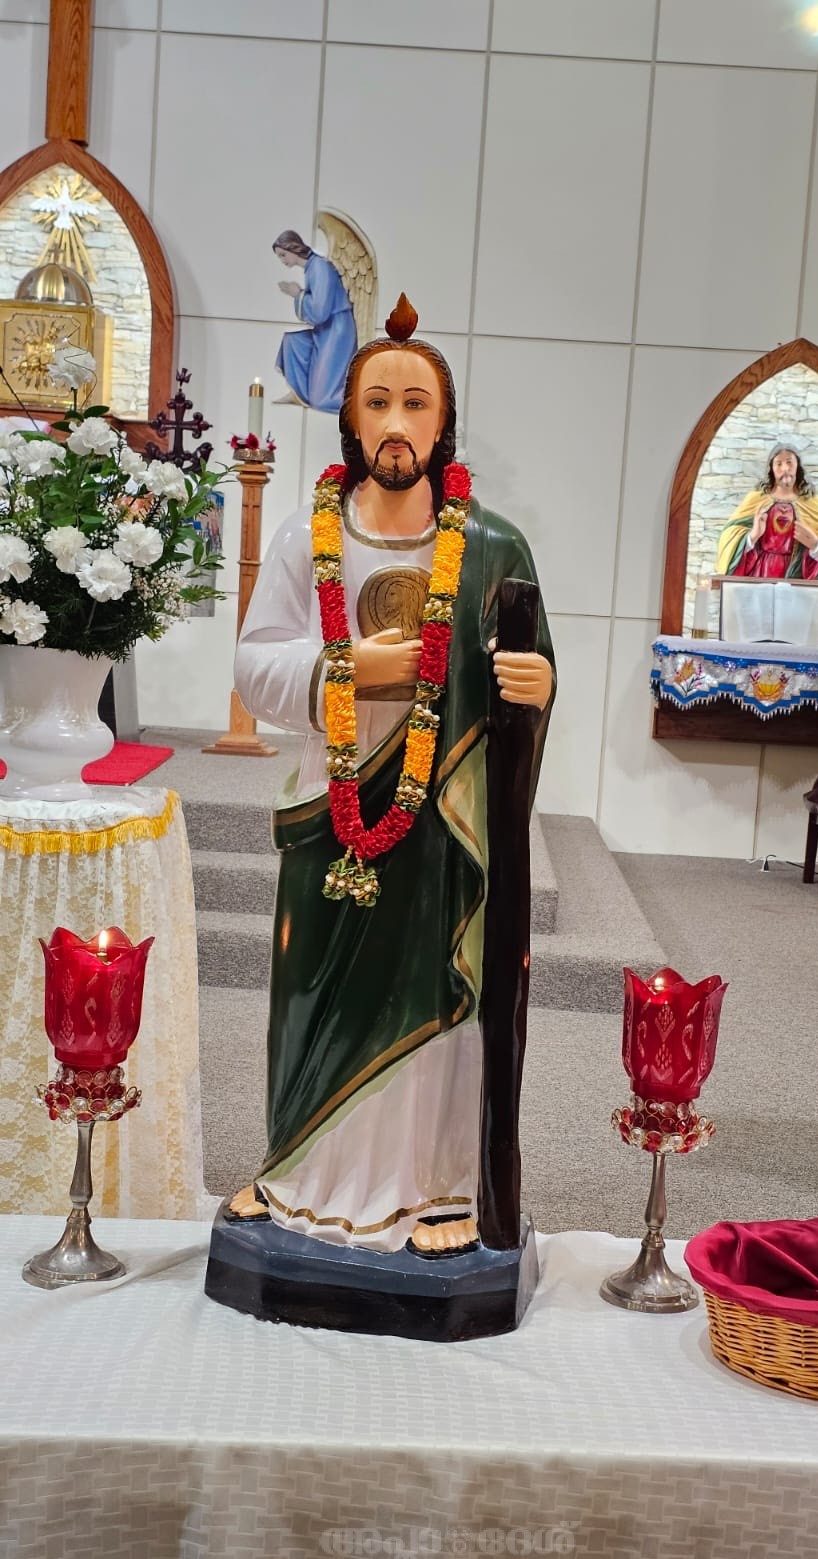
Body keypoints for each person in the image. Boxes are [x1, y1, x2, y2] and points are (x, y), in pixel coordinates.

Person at [229, 297, 555, 1258]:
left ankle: (438, 1187)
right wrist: (348, 670)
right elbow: (254, 666)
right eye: (379, 403)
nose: (398, 424)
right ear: (351, 420)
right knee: (311, 999)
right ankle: (299, 1172)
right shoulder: (307, 538)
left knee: (436, 993)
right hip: (332, 815)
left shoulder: (491, 546)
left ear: (442, 425)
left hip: (444, 816)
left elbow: (528, 663)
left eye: (417, 404)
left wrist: (538, 688)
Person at [716, 444, 818, 579]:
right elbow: (728, 534)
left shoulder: (811, 502)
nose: (785, 469)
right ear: (771, 468)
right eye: (779, 464)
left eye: (789, 462)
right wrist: (753, 536)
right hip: (760, 575)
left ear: (798, 466)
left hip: (796, 579)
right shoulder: (756, 499)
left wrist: (816, 545)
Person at [272, 229, 358, 413]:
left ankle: (357, 401)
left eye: (283, 255)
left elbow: (320, 312)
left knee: (321, 401)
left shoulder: (319, 267)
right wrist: (298, 295)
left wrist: (297, 294)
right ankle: (299, 393)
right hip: (325, 330)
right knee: (292, 341)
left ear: (293, 247)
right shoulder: (311, 268)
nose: (282, 260)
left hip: (337, 331)